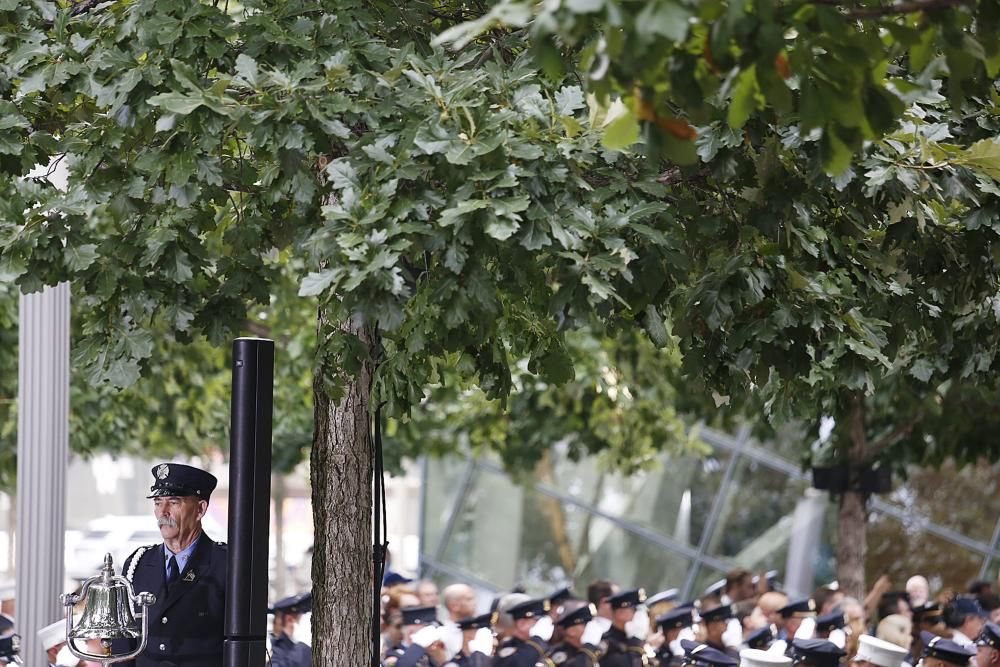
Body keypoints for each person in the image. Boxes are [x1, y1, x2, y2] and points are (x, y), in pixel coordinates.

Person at [114, 462, 226, 667]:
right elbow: (123, 645)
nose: (163, 512)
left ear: (200, 509)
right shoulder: (138, 564)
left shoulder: (225, 564)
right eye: (157, 503)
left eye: (173, 502)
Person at [495, 597, 555, 667]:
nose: (542, 625)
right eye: (536, 620)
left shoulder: (540, 648)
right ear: (521, 624)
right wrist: (537, 640)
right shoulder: (510, 649)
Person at [599, 588, 647, 667]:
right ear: (620, 613)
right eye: (635, 610)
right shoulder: (607, 644)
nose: (640, 616)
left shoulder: (635, 638)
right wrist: (636, 641)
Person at [548, 601, 602, 667]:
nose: (590, 628)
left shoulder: (597, 650)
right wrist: (588, 647)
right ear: (571, 631)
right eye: (585, 624)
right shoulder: (559, 655)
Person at [269, 592, 312, 667]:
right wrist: (304, 648)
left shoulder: (289, 646)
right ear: (289, 620)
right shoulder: (278, 650)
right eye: (299, 619)